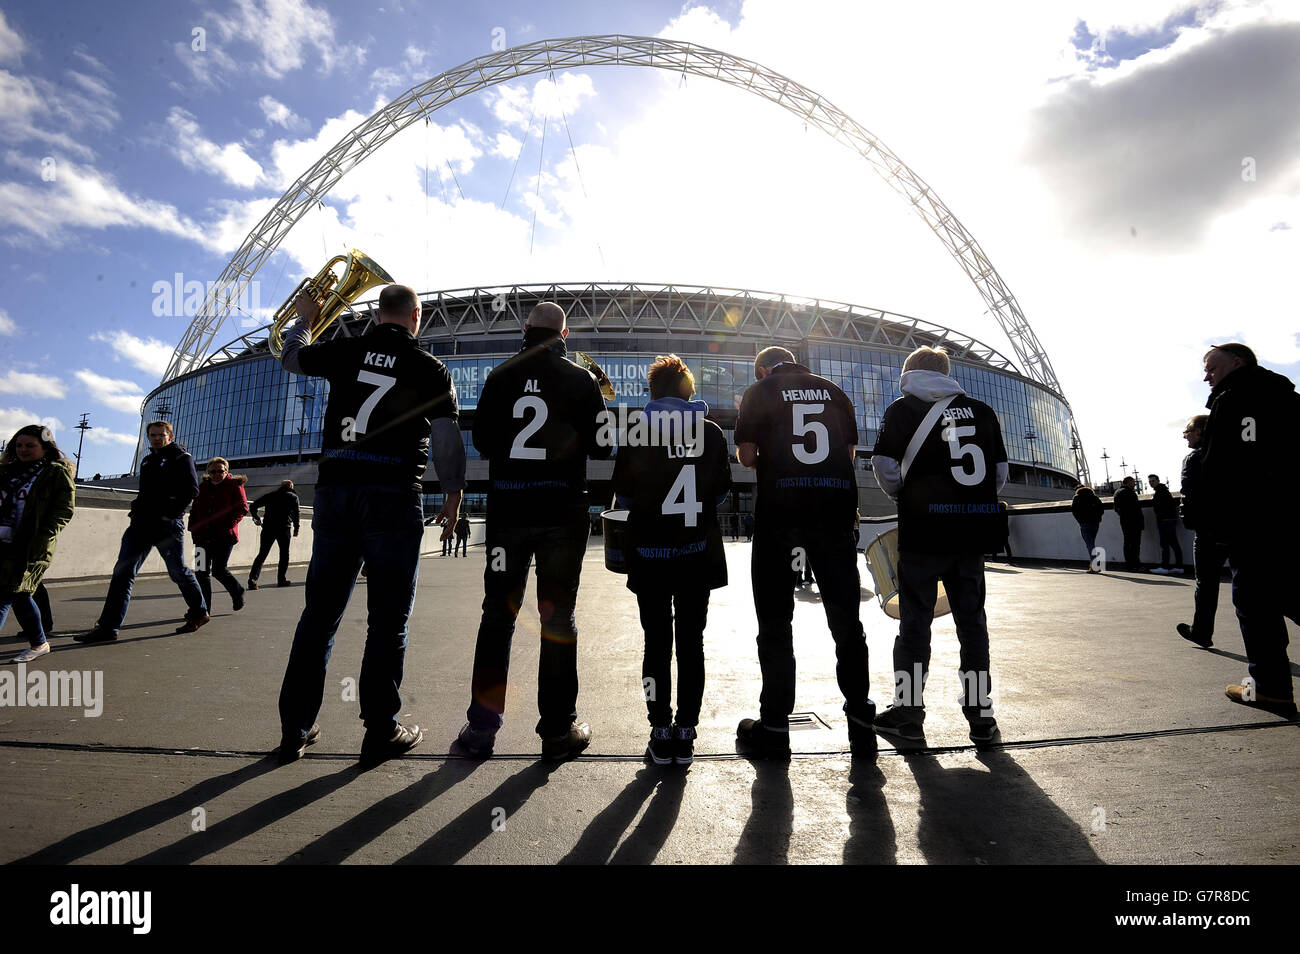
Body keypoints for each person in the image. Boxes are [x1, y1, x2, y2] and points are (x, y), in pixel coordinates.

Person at [275, 283, 465, 766]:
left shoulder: (345, 349)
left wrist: (304, 317)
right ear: (416, 317)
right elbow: (446, 437)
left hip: (337, 491)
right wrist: (453, 494)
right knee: (387, 622)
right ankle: (380, 729)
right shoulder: (429, 368)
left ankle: (295, 729)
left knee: (318, 617)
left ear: (378, 314)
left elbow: (292, 358)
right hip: (394, 494)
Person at [455, 302, 611, 763]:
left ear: (526, 329)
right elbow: (603, 444)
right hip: (563, 512)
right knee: (558, 619)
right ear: (565, 332)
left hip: (509, 511)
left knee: (497, 617)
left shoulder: (500, 375)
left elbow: (481, 439)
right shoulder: (582, 379)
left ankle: (482, 728)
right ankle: (558, 730)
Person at [733, 345, 874, 757]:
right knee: (847, 623)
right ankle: (861, 723)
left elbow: (746, 456)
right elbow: (848, 456)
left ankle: (774, 728)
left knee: (776, 625)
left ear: (763, 369)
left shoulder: (761, 391)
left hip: (780, 515)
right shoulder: (834, 391)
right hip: (833, 515)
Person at [870, 346, 1008, 745]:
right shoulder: (982, 411)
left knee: (915, 625)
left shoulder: (902, 410)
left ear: (909, 371)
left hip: (924, 533)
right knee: (973, 625)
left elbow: (885, 467)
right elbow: (998, 473)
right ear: (947, 373)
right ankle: (982, 717)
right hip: (970, 535)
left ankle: (909, 713)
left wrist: (907, 495)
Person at [612, 355, 731, 765]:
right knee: (691, 643)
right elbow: (719, 494)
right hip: (696, 554)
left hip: (650, 554)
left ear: (652, 392)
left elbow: (624, 498)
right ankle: (686, 732)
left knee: (655, 643)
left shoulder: (636, 431)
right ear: (688, 389)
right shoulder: (711, 433)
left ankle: (659, 729)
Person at [1199, 343, 1298, 715]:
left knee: (1255, 603)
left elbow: (1243, 459)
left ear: (1237, 361)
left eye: (1212, 366)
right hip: (1283, 515)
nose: (1206, 375)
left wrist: (1224, 515)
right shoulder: (1284, 396)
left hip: (1256, 520)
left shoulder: (1243, 398)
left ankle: (1271, 688)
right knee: (1286, 592)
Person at [76, 421, 209, 642]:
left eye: (161, 435)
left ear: (171, 436)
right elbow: (145, 493)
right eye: (152, 435)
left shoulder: (181, 458)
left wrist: (170, 514)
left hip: (166, 527)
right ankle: (108, 628)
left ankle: (200, 612)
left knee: (177, 572)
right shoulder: (147, 461)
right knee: (122, 573)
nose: (157, 438)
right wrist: (136, 512)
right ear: (147, 437)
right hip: (140, 525)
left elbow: (192, 491)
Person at [1, 426, 75, 663]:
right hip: (2, 539)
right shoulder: (6, 472)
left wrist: (44, 536)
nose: (23, 450)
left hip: (30, 544)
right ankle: (39, 642)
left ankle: (39, 642)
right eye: (19, 445)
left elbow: (64, 509)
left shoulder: (54, 472)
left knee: (4, 594)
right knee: (21, 595)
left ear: (45, 447)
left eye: (30, 445)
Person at [1176, 414, 1229, 648]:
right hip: (1239, 526)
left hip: (1209, 530)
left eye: (1187, 430)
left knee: (1206, 583)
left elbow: (1190, 494)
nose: (1185, 435)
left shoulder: (1194, 457)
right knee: (1258, 584)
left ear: (1200, 432)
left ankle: (1202, 631)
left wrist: (1189, 520)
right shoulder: (1232, 452)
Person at [189, 457, 249, 613]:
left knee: (218, 570)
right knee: (200, 572)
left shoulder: (234, 485)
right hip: (201, 537)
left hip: (224, 537)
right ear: (208, 472)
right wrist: (193, 528)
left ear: (226, 471)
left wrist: (227, 525)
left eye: (220, 471)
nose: (216, 474)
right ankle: (203, 610)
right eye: (212, 471)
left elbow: (242, 508)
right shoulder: (203, 487)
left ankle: (237, 591)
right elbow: (194, 510)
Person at [247, 480, 300, 588]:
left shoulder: (271, 495)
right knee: (284, 555)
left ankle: (253, 579)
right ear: (291, 486)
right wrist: (296, 528)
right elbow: (296, 513)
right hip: (284, 529)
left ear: (281, 486)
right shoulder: (293, 497)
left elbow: (253, 506)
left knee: (262, 554)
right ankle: (281, 580)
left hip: (268, 528)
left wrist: (256, 518)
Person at [1147, 473, 1184, 574]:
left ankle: (1165, 566)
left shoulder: (1160, 492)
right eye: (1150, 481)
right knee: (1173, 543)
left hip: (1165, 520)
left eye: (1153, 481)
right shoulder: (1164, 491)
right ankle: (1179, 566)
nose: (1151, 483)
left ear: (1158, 481)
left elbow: (1160, 507)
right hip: (1169, 520)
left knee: (1165, 544)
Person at [1112, 476, 1144, 573]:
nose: (1135, 484)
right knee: (1135, 544)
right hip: (1133, 522)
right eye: (1133, 482)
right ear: (1129, 482)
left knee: (1128, 543)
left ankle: (1129, 565)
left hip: (1124, 522)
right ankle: (1136, 565)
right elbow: (1135, 509)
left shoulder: (1117, 493)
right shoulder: (1129, 492)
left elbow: (1116, 508)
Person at [1070, 486, 1105, 572]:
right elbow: (1101, 510)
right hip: (1095, 523)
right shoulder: (1094, 498)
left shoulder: (1077, 498)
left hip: (1084, 523)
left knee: (1089, 544)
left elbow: (1074, 511)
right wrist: (1097, 517)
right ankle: (1093, 565)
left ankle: (1095, 564)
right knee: (1091, 542)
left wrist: (1080, 520)